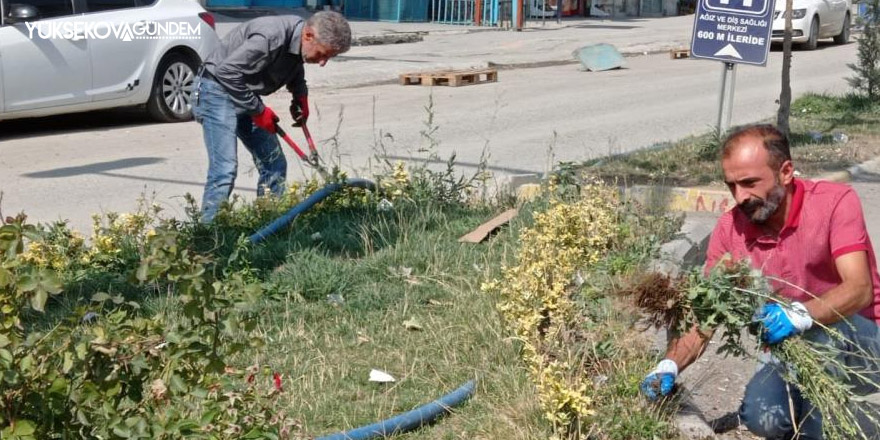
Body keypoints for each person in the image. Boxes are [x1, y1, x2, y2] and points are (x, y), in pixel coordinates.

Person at [639, 124, 880, 439]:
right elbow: (708, 316)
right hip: (787, 345)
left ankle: (825, 427)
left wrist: (800, 315)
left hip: (862, 341)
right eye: (732, 186)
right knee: (761, 419)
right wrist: (668, 366)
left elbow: (859, 289)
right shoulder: (730, 230)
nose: (740, 197)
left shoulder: (834, 203)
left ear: (786, 172)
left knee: (821, 340)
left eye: (750, 183)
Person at [193, 11, 351, 223]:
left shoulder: (300, 38)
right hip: (215, 89)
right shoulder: (270, 37)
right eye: (323, 54)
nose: (323, 62)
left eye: (329, 57)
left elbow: (296, 64)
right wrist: (258, 111)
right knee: (225, 170)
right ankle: (207, 236)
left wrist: (300, 95)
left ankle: (268, 225)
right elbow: (226, 72)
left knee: (274, 165)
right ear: (309, 36)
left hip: (243, 91)